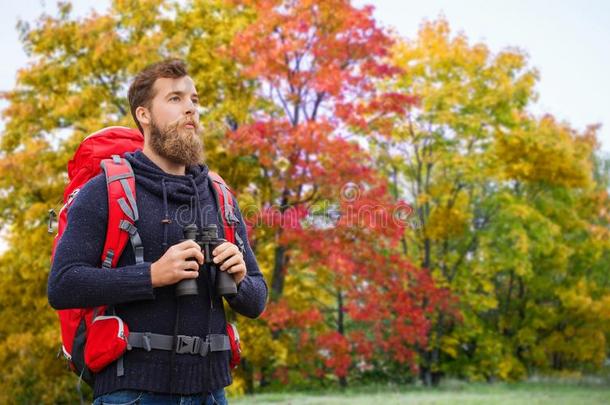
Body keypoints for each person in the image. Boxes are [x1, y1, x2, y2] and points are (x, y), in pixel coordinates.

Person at [48, 59, 268, 405]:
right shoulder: (106, 190)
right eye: (176, 99)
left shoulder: (218, 194)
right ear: (144, 115)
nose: (191, 109)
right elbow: (62, 285)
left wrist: (240, 279)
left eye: (194, 100)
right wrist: (152, 275)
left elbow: (257, 301)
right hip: (132, 392)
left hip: (211, 392)